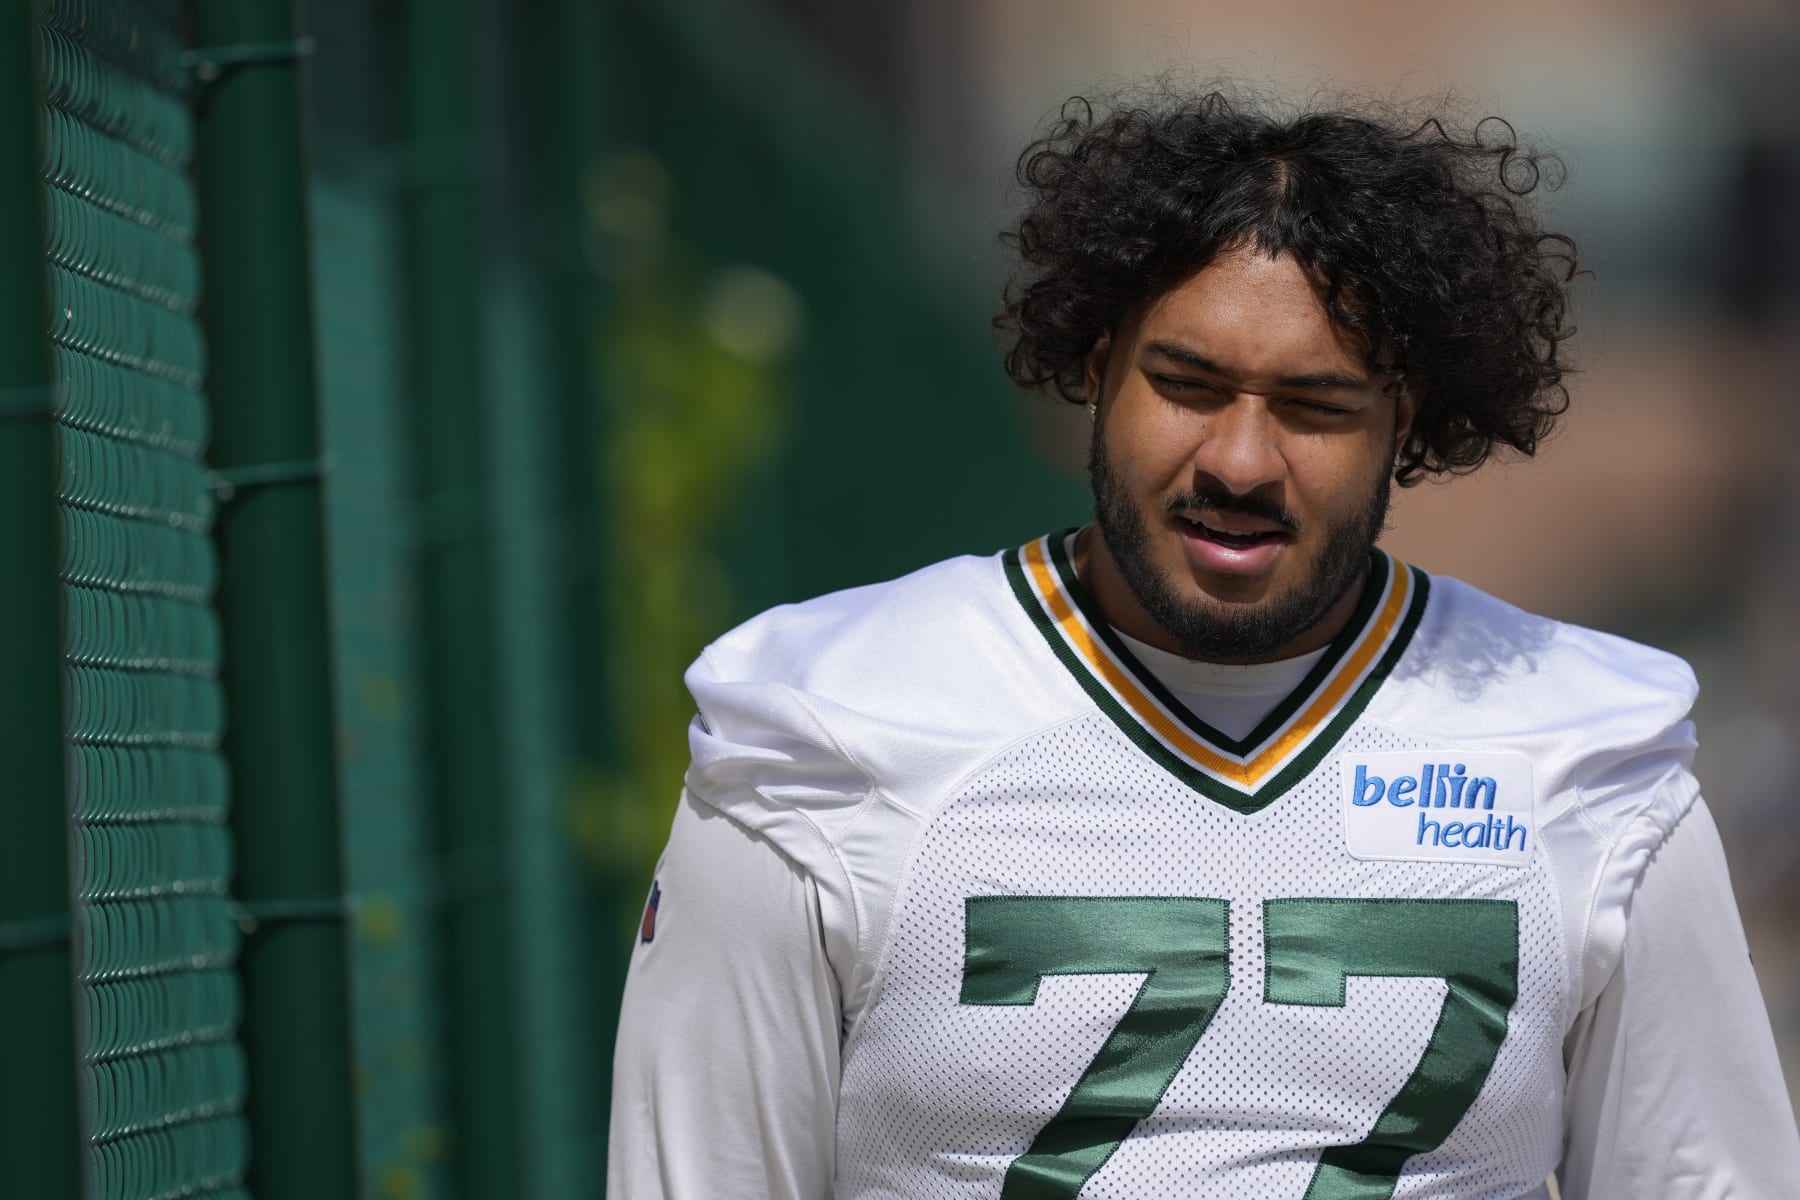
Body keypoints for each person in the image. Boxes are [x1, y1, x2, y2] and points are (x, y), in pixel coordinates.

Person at [606, 85, 1800, 1199]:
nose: (1239, 461)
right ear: (1093, 367)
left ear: (1410, 421)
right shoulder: (822, 728)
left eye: (1317, 405)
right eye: (1186, 384)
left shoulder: (1591, 755)